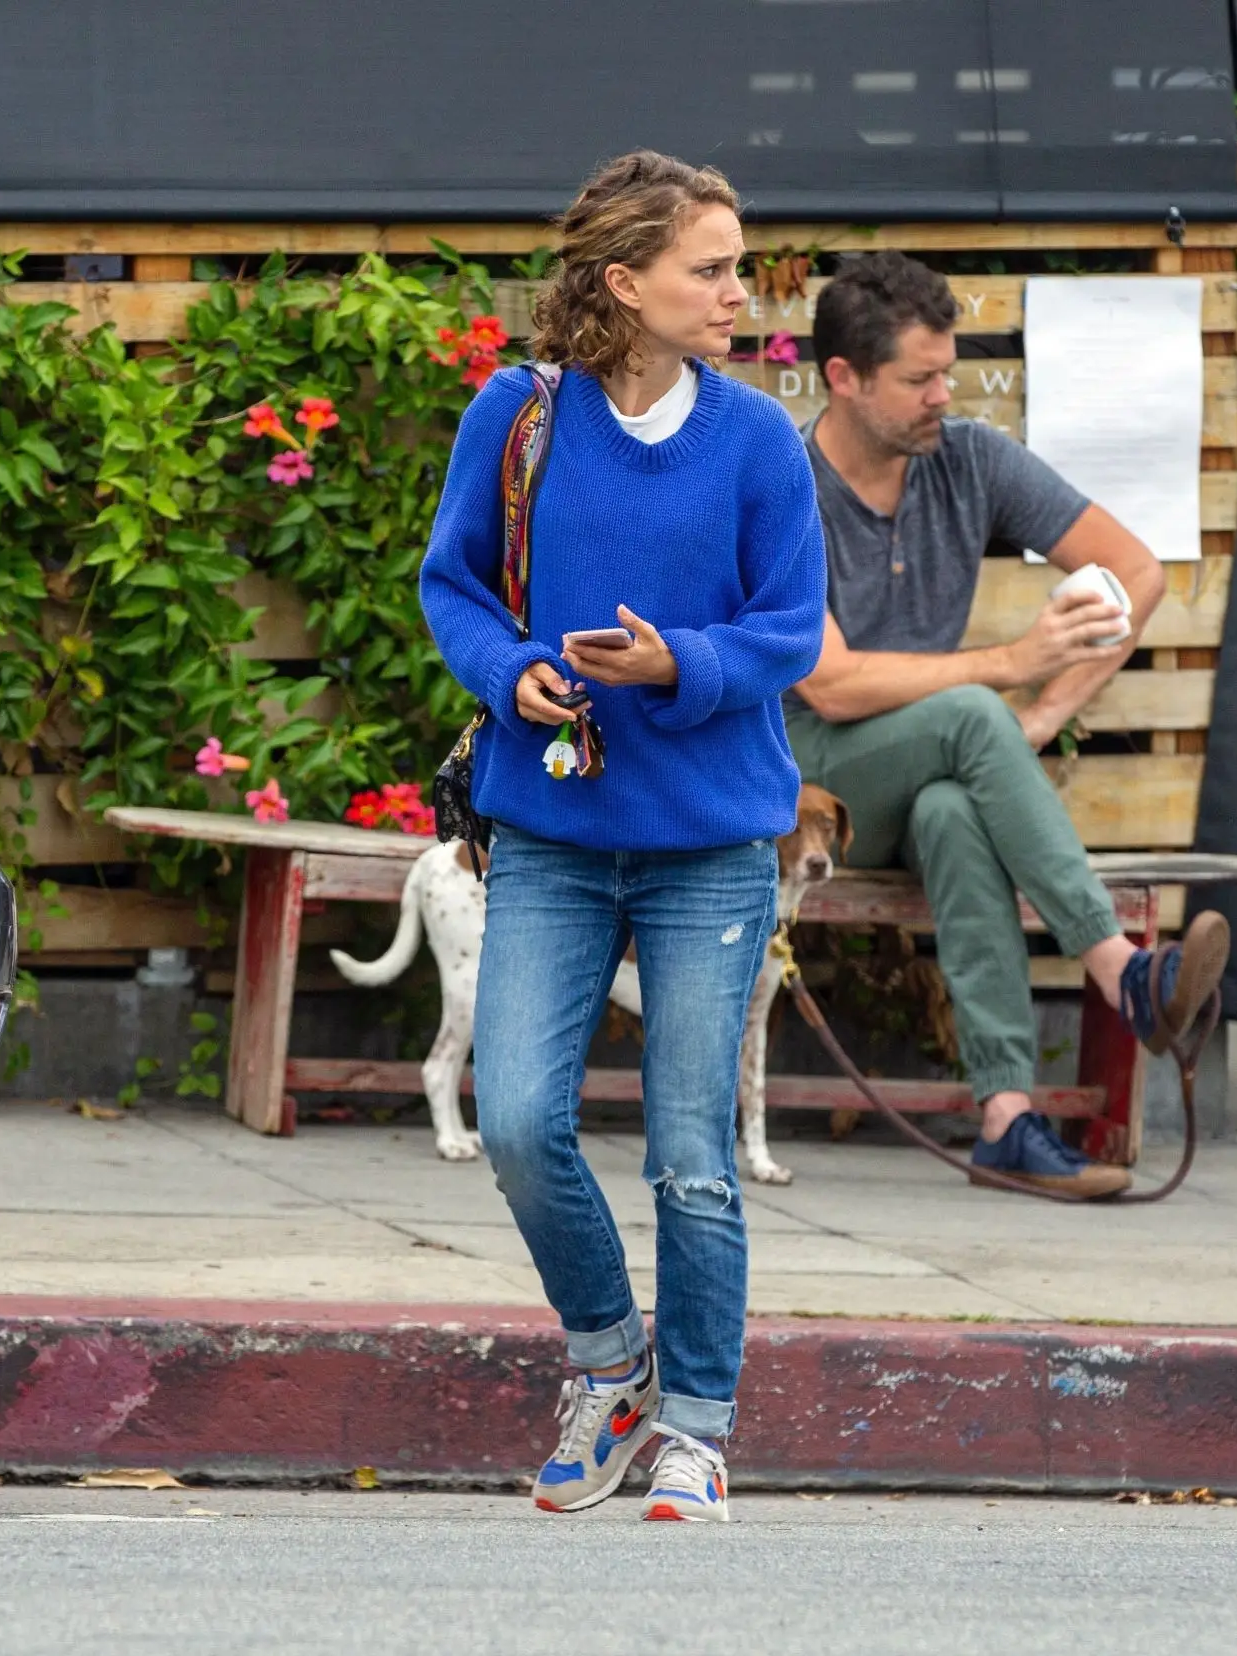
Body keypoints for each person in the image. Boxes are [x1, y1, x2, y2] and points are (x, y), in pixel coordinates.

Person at [419, 151, 826, 1521]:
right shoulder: (517, 417)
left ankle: (698, 1428)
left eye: (736, 262)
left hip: (712, 845)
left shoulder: (763, 438)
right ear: (624, 283)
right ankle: (610, 1364)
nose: (737, 288)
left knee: (691, 1151)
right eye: (709, 267)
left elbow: (787, 633)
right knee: (521, 1120)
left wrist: (677, 667)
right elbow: (454, 583)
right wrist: (506, 670)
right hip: (551, 825)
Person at [786, 251, 1230, 1198]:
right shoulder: (786, 482)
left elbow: (1136, 571)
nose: (943, 394)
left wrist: (1042, 716)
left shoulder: (969, 458)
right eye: (919, 378)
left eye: (948, 371)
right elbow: (827, 683)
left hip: (919, 775)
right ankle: (1123, 971)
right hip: (805, 779)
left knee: (954, 806)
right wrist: (1012, 673)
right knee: (969, 715)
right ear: (844, 378)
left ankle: (1006, 1121)